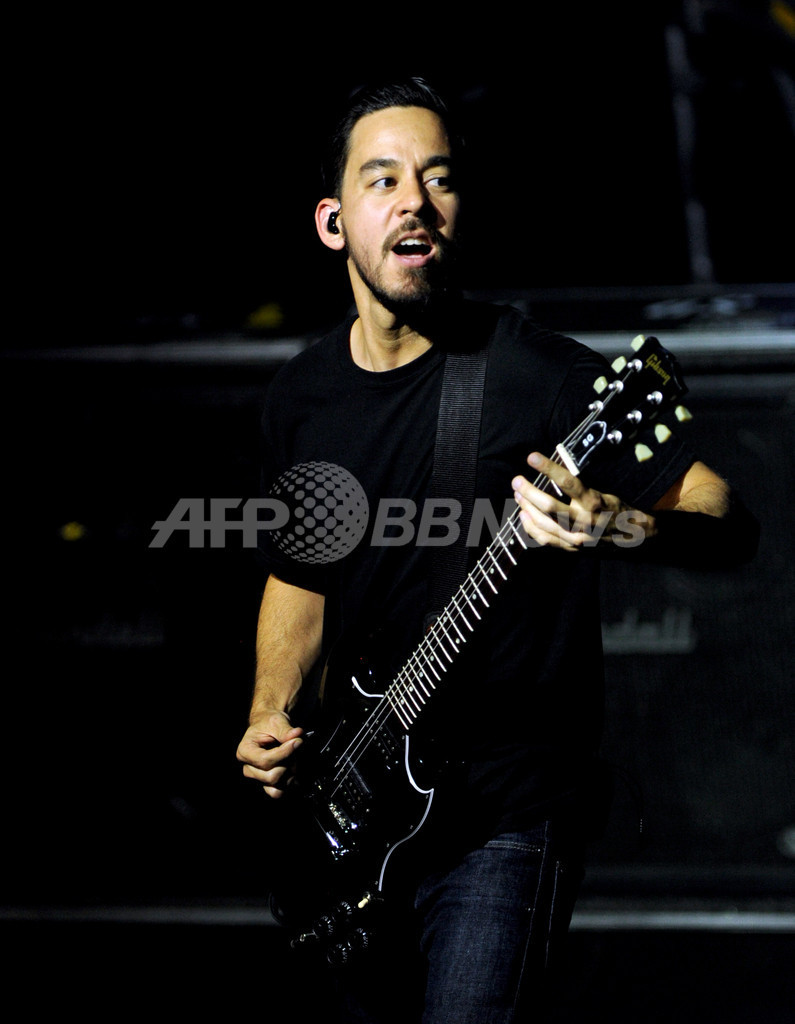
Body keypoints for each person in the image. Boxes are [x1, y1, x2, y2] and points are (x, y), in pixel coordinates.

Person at [236, 78, 758, 1023]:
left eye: (438, 179)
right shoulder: (303, 398)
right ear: (332, 222)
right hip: (360, 813)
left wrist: (614, 522)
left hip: (505, 822)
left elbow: (725, 519)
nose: (414, 201)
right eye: (383, 179)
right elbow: (299, 579)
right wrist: (271, 709)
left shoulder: (535, 373)